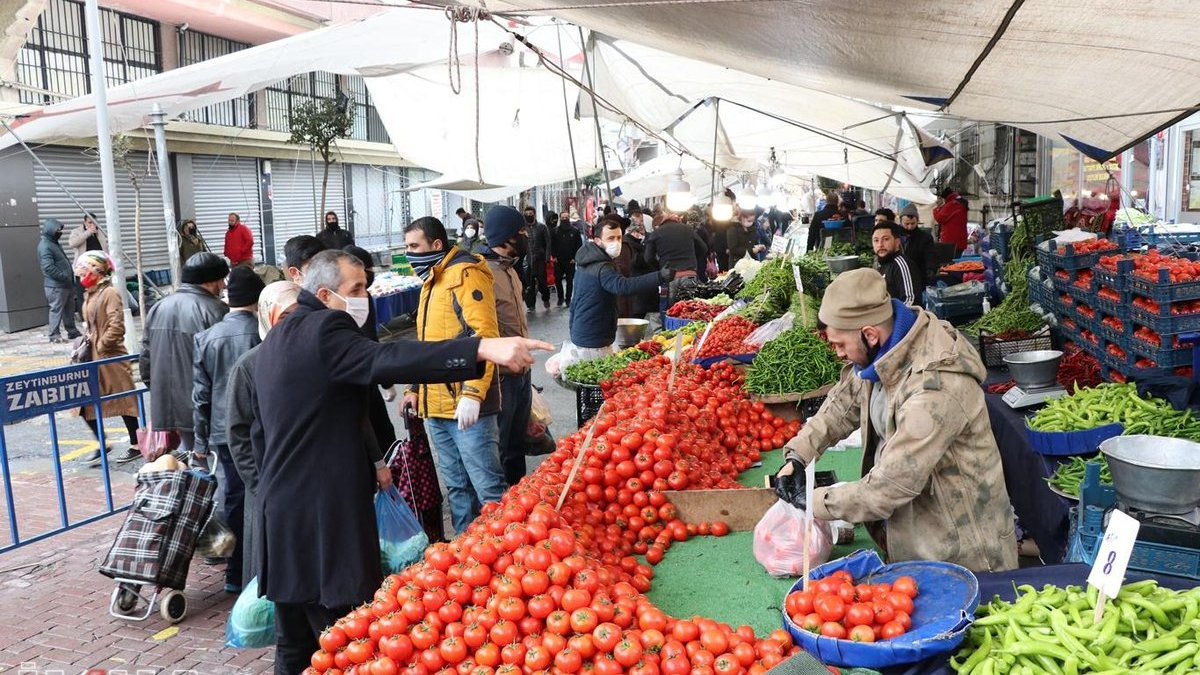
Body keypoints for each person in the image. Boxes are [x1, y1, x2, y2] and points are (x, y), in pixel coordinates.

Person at [253, 250, 550, 674]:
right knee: (345, 640)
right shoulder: (324, 327)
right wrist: (482, 347)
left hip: (282, 515)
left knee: (295, 644)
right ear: (323, 294)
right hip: (323, 517)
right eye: (356, 290)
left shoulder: (276, 340)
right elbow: (386, 359)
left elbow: (265, 433)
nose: (365, 298)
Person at [773, 268, 1018, 573]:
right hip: (917, 539)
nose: (836, 354)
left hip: (963, 555)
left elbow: (889, 486)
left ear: (870, 334)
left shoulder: (936, 386)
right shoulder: (883, 353)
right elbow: (842, 404)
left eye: (839, 345)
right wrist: (798, 455)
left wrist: (816, 501)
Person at [402, 217, 505, 534]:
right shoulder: (431, 280)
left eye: (414, 247)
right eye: (406, 247)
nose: (409, 254)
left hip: (467, 406)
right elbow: (427, 343)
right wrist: (415, 388)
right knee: (458, 490)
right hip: (435, 407)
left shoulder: (466, 275)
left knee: (488, 488)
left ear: (435, 245)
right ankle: (464, 554)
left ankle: (503, 551)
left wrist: (473, 395)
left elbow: (485, 336)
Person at [192, 266, 264, 593]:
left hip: (223, 432)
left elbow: (201, 397)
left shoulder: (206, 339)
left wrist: (199, 442)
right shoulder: (265, 332)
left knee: (232, 497)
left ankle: (234, 573)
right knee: (264, 493)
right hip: (262, 428)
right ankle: (262, 567)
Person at [225, 281, 300, 593]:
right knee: (273, 570)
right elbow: (238, 433)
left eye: (301, 315)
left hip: (308, 484)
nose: (294, 324)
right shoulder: (249, 367)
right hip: (269, 484)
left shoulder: (318, 356)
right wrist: (258, 484)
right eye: (285, 317)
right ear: (268, 317)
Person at [140, 252, 229, 456]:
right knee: (215, 466)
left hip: (170, 405)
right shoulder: (216, 310)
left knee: (188, 460)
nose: (223, 286)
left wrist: (158, 390)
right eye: (221, 280)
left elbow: (146, 358)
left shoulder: (158, 307)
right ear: (210, 281)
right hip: (205, 409)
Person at [569, 215, 672, 359]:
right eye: (610, 238)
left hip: (583, 332)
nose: (616, 242)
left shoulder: (586, 262)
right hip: (593, 338)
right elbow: (623, 286)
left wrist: (573, 331)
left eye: (619, 238)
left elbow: (574, 302)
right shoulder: (602, 267)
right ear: (598, 241)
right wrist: (659, 276)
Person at [482, 206, 533, 486]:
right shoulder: (483, 274)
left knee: (517, 444)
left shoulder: (510, 270)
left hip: (522, 370)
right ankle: (502, 509)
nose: (526, 237)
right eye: (521, 233)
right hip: (500, 377)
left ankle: (519, 494)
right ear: (505, 237)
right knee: (501, 447)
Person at [74, 251, 140, 467]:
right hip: (91, 358)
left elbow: (116, 325)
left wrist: (101, 347)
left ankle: (136, 444)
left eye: (84, 269)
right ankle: (102, 443)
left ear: (97, 270)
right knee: (83, 403)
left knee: (124, 400)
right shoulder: (90, 293)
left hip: (109, 358)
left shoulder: (109, 292)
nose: (81, 274)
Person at [645, 211, 708, 306]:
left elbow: (648, 258)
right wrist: (692, 258)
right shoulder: (687, 229)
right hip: (689, 275)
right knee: (691, 310)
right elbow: (704, 248)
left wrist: (660, 268)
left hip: (669, 279)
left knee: (670, 311)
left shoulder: (656, 233)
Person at [38, 219, 81, 344]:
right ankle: (54, 335)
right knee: (56, 310)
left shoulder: (54, 243)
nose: (60, 232)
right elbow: (48, 267)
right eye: (58, 230)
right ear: (50, 230)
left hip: (65, 284)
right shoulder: (45, 245)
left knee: (69, 309)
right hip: (56, 286)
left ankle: (72, 331)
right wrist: (63, 276)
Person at [872, 222, 919, 305]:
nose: (880, 245)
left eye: (886, 239)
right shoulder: (882, 264)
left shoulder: (901, 265)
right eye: (876, 240)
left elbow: (911, 302)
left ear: (897, 242)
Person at [621, 218, 658, 319]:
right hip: (637, 288)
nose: (642, 233)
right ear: (632, 232)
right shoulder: (627, 243)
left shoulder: (645, 240)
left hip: (646, 287)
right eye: (640, 230)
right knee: (636, 319)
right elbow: (635, 261)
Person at [898, 204, 937, 288]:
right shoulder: (894, 235)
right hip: (898, 274)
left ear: (917, 221)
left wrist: (931, 270)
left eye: (913, 223)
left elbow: (930, 255)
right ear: (900, 221)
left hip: (918, 276)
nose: (910, 227)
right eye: (906, 224)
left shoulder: (925, 237)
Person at [522, 206, 552, 311]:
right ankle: (530, 305)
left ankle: (546, 298)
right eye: (527, 214)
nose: (529, 215)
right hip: (527, 260)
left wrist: (547, 257)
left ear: (534, 214)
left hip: (540, 259)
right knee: (529, 284)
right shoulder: (522, 229)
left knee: (542, 283)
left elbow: (548, 243)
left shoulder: (542, 227)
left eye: (531, 213)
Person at [552, 209, 583, 307]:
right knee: (557, 280)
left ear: (569, 218)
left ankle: (568, 299)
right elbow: (551, 244)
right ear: (560, 219)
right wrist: (554, 256)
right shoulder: (555, 231)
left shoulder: (575, 231)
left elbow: (579, 245)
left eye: (566, 217)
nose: (565, 219)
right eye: (563, 217)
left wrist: (575, 258)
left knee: (570, 281)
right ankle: (560, 298)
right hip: (558, 260)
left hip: (571, 261)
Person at [933, 188, 968, 255]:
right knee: (955, 260)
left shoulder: (952, 204)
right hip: (959, 240)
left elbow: (940, 218)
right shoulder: (960, 202)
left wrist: (937, 209)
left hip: (951, 242)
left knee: (950, 262)